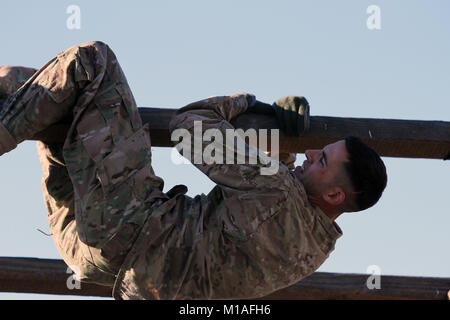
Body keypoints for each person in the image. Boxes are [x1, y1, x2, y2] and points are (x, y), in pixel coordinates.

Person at [0, 41, 387, 300]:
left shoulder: (276, 191)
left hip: (124, 221)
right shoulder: (312, 251)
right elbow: (257, 210)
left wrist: (251, 104)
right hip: (90, 257)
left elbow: (189, 127)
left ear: (335, 195)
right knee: (49, 92)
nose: (311, 151)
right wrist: (278, 146)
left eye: (322, 159)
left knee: (92, 61)